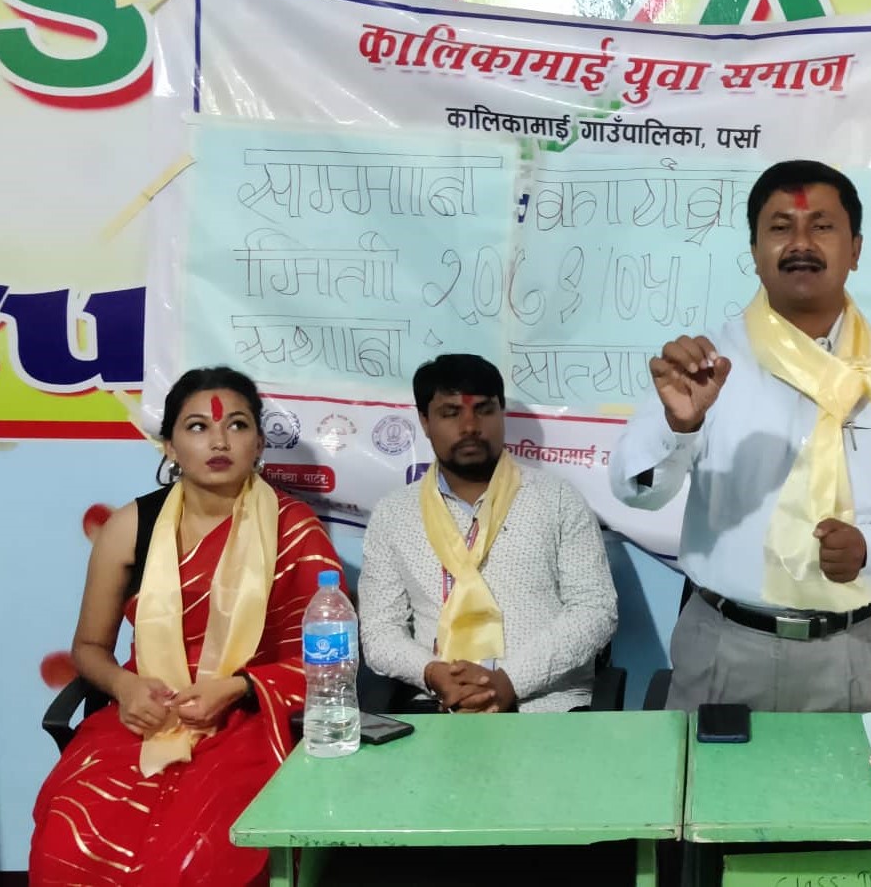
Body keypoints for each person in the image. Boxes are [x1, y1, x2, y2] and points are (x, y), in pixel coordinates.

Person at [611, 159, 871, 712]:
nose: (800, 243)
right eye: (781, 227)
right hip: (726, 645)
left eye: (822, 226)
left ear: (855, 249)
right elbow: (636, 491)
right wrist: (679, 426)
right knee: (709, 775)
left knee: (852, 776)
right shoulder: (703, 364)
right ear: (755, 251)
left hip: (857, 649)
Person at [30, 367, 343, 885]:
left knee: (198, 849)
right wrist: (125, 687)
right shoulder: (131, 526)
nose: (219, 441)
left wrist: (237, 687)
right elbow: (88, 647)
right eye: (197, 427)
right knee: (70, 832)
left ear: (259, 443)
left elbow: (329, 660)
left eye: (237, 425)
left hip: (250, 717)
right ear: (170, 447)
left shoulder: (293, 530)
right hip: (145, 714)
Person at [358, 354, 616, 713]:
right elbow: (380, 632)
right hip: (439, 706)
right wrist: (432, 673)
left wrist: (510, 682)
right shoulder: (393, 515)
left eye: (484, 410)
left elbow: (596, 610)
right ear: (425, 422)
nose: (470, 426)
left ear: (502, 413)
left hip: (545, 708)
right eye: (450, 413)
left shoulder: (557, 499)